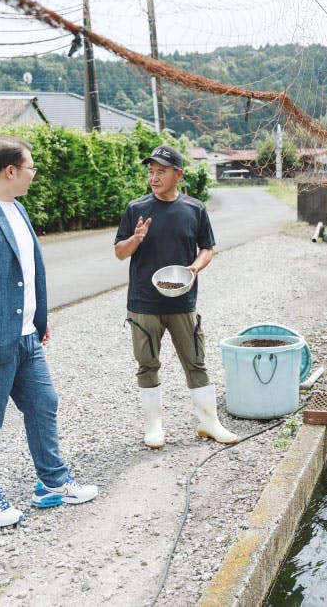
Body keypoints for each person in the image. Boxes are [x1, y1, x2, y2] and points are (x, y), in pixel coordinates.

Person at [0, 136, 98, 528]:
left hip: (26, 336)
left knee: (43, 404)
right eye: (31, 167)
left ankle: (52, 483)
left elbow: (28, 274)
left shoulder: (16, 208)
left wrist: (36, 320)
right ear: (10, 170)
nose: (34, 174)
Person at [114, 144, 238, 449]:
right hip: (144, 302)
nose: (154, 177)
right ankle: (153, 426)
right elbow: (119, 252)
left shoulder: (194, 208)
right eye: (151, 171)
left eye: (161, 172)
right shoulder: (136, 209)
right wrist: (135, 239)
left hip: (183, 300)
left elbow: (207, 248)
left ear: (178, 175)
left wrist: (194, 268)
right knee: (147, 364)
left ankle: (209, 422)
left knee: (196, 362)